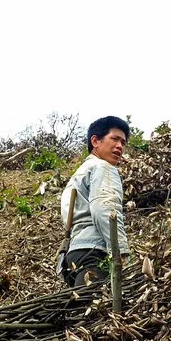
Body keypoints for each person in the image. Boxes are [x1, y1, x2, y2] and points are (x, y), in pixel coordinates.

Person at [59, 116, 130, 287]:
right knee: (93, 308)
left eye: (123, 142)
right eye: (114, 139)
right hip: (94, 251)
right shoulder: (103, 167)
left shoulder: (78, 175)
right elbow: (105, 210)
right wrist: (121, 252)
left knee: (80, 309)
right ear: (95, 141)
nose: (120, 146)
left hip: (74, 255)